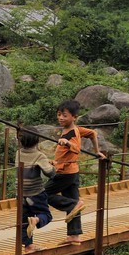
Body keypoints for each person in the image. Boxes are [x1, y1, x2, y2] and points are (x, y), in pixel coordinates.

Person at [49, 100, 97, 242]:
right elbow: (93, 133)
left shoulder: (71, 134)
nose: (61, 118)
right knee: (72, 199)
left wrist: (68, 143)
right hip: (72, 172)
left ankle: (74, 206)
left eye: (64, 115)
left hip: (65, 173)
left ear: (74, 117)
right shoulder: (76, 129)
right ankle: (74, 235)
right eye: (59, 115)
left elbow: (76, 149)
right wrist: (97, 152)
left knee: (44, 194)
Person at [16, 129, 55, 252]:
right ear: (37, 141)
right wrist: (51, 165)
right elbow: (50, 173)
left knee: (24, 221)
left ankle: (28, 246)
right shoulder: (39, 155)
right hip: (35, 193)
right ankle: (36, 220)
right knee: (46, 215)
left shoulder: (18, 153)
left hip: (21, 194)